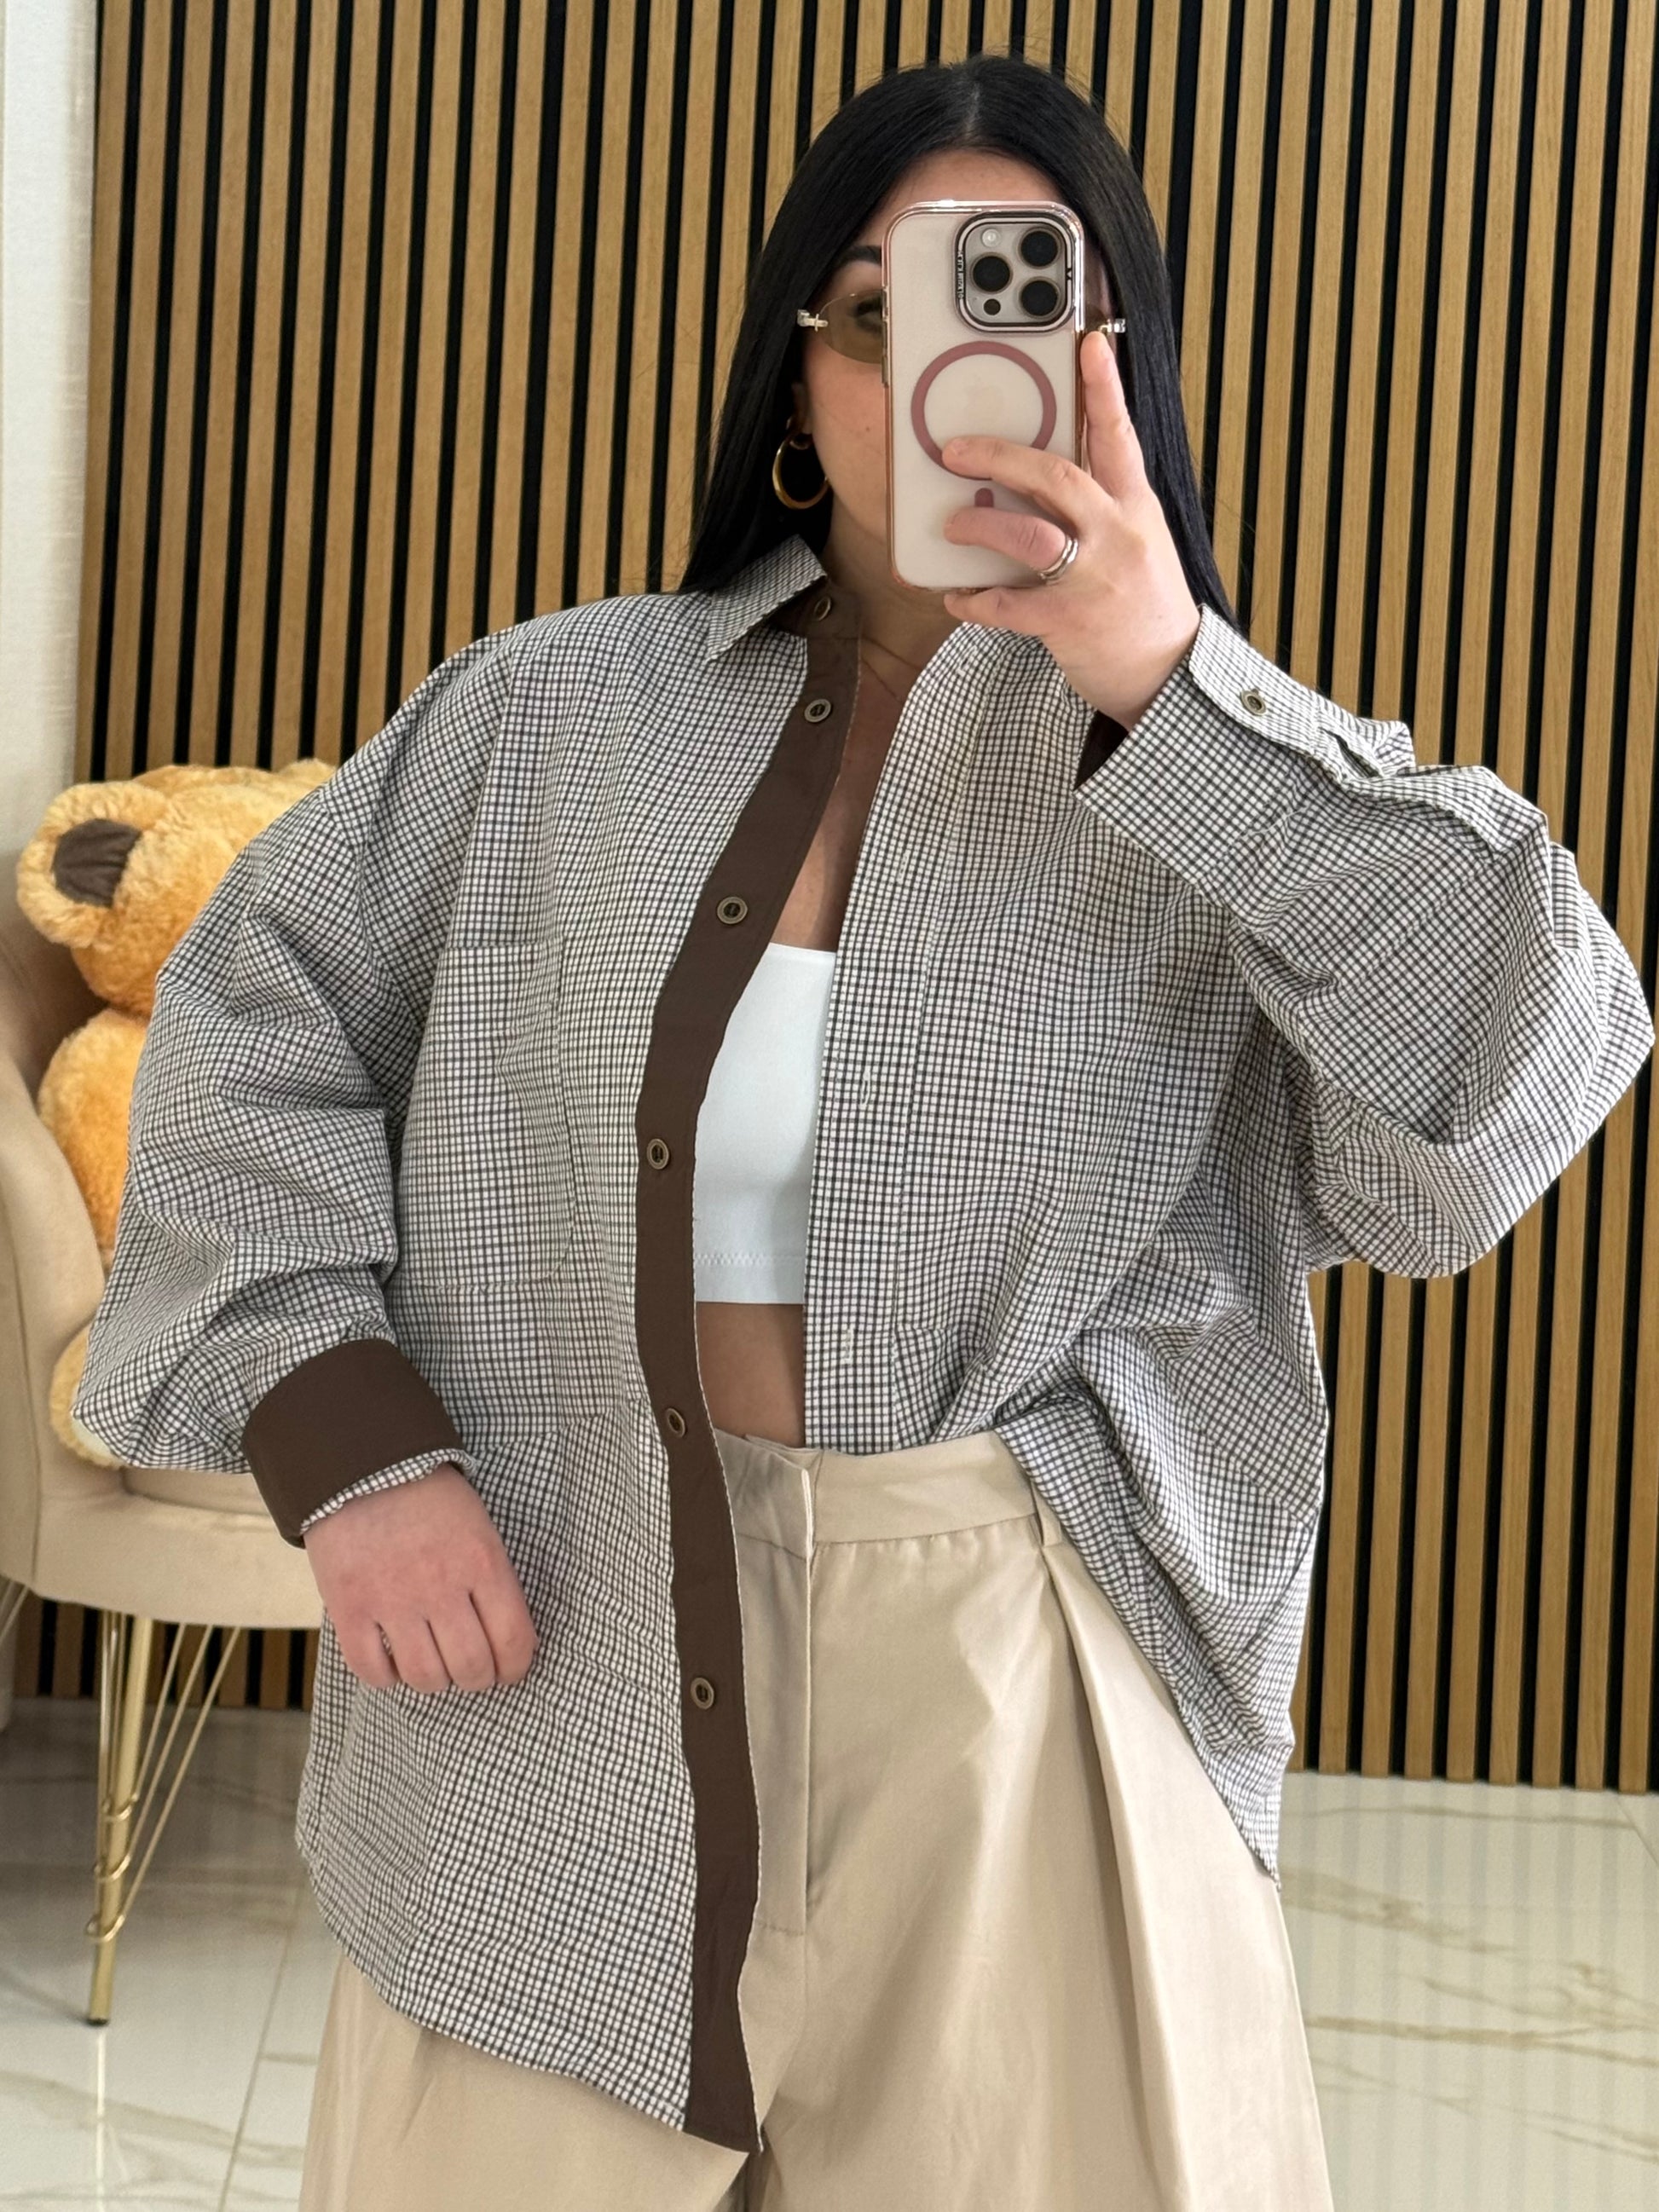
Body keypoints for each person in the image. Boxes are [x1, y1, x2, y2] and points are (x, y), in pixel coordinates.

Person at [72, 50, 1653, 2212]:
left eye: (1008, 303)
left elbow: (1513, 1075)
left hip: (1025, 1699)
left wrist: (1170, 678)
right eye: (873, 314)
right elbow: (256, 1021)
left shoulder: (1225, 777)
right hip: (551, 1652)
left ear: (1111, 365)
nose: (932, 375)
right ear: (795, 385)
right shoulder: (550, 712)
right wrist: (350, 1442)